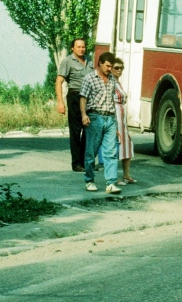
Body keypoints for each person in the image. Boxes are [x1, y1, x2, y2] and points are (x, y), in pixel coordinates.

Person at [80, 52, 122, 195]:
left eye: (112, 66)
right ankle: (89, 180)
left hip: (110, 118)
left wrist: (115, 124)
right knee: (91, 151)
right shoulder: (89, 78)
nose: (110, 69)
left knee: (111, 152)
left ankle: (111, 183)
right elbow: (83, 98)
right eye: (108, 66)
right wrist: (84, 115)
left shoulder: (112, 80)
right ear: (100, 63)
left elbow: (112, 101)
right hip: (95, 117)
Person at [56, 38, 90, 172]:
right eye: (78, 47)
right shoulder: (67, 61)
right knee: (76, 132)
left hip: (89, 98)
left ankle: (85, 162)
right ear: (72, 48)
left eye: (83, 47)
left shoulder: (90, 60)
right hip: (75, 96)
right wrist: (60, 102)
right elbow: (59, 81)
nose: (81, 49)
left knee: (88, 131)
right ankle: (76, 163)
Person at [112, 58, 136, 185]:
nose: (119, 70)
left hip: (122, 114)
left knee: (126, 144)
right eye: (116, 67)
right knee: (115, 145)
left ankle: (127, 175)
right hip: (115, 113)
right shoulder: (110, 82)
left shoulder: (118, 82)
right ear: (111, 68)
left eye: (121, 68)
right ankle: (113, 177)